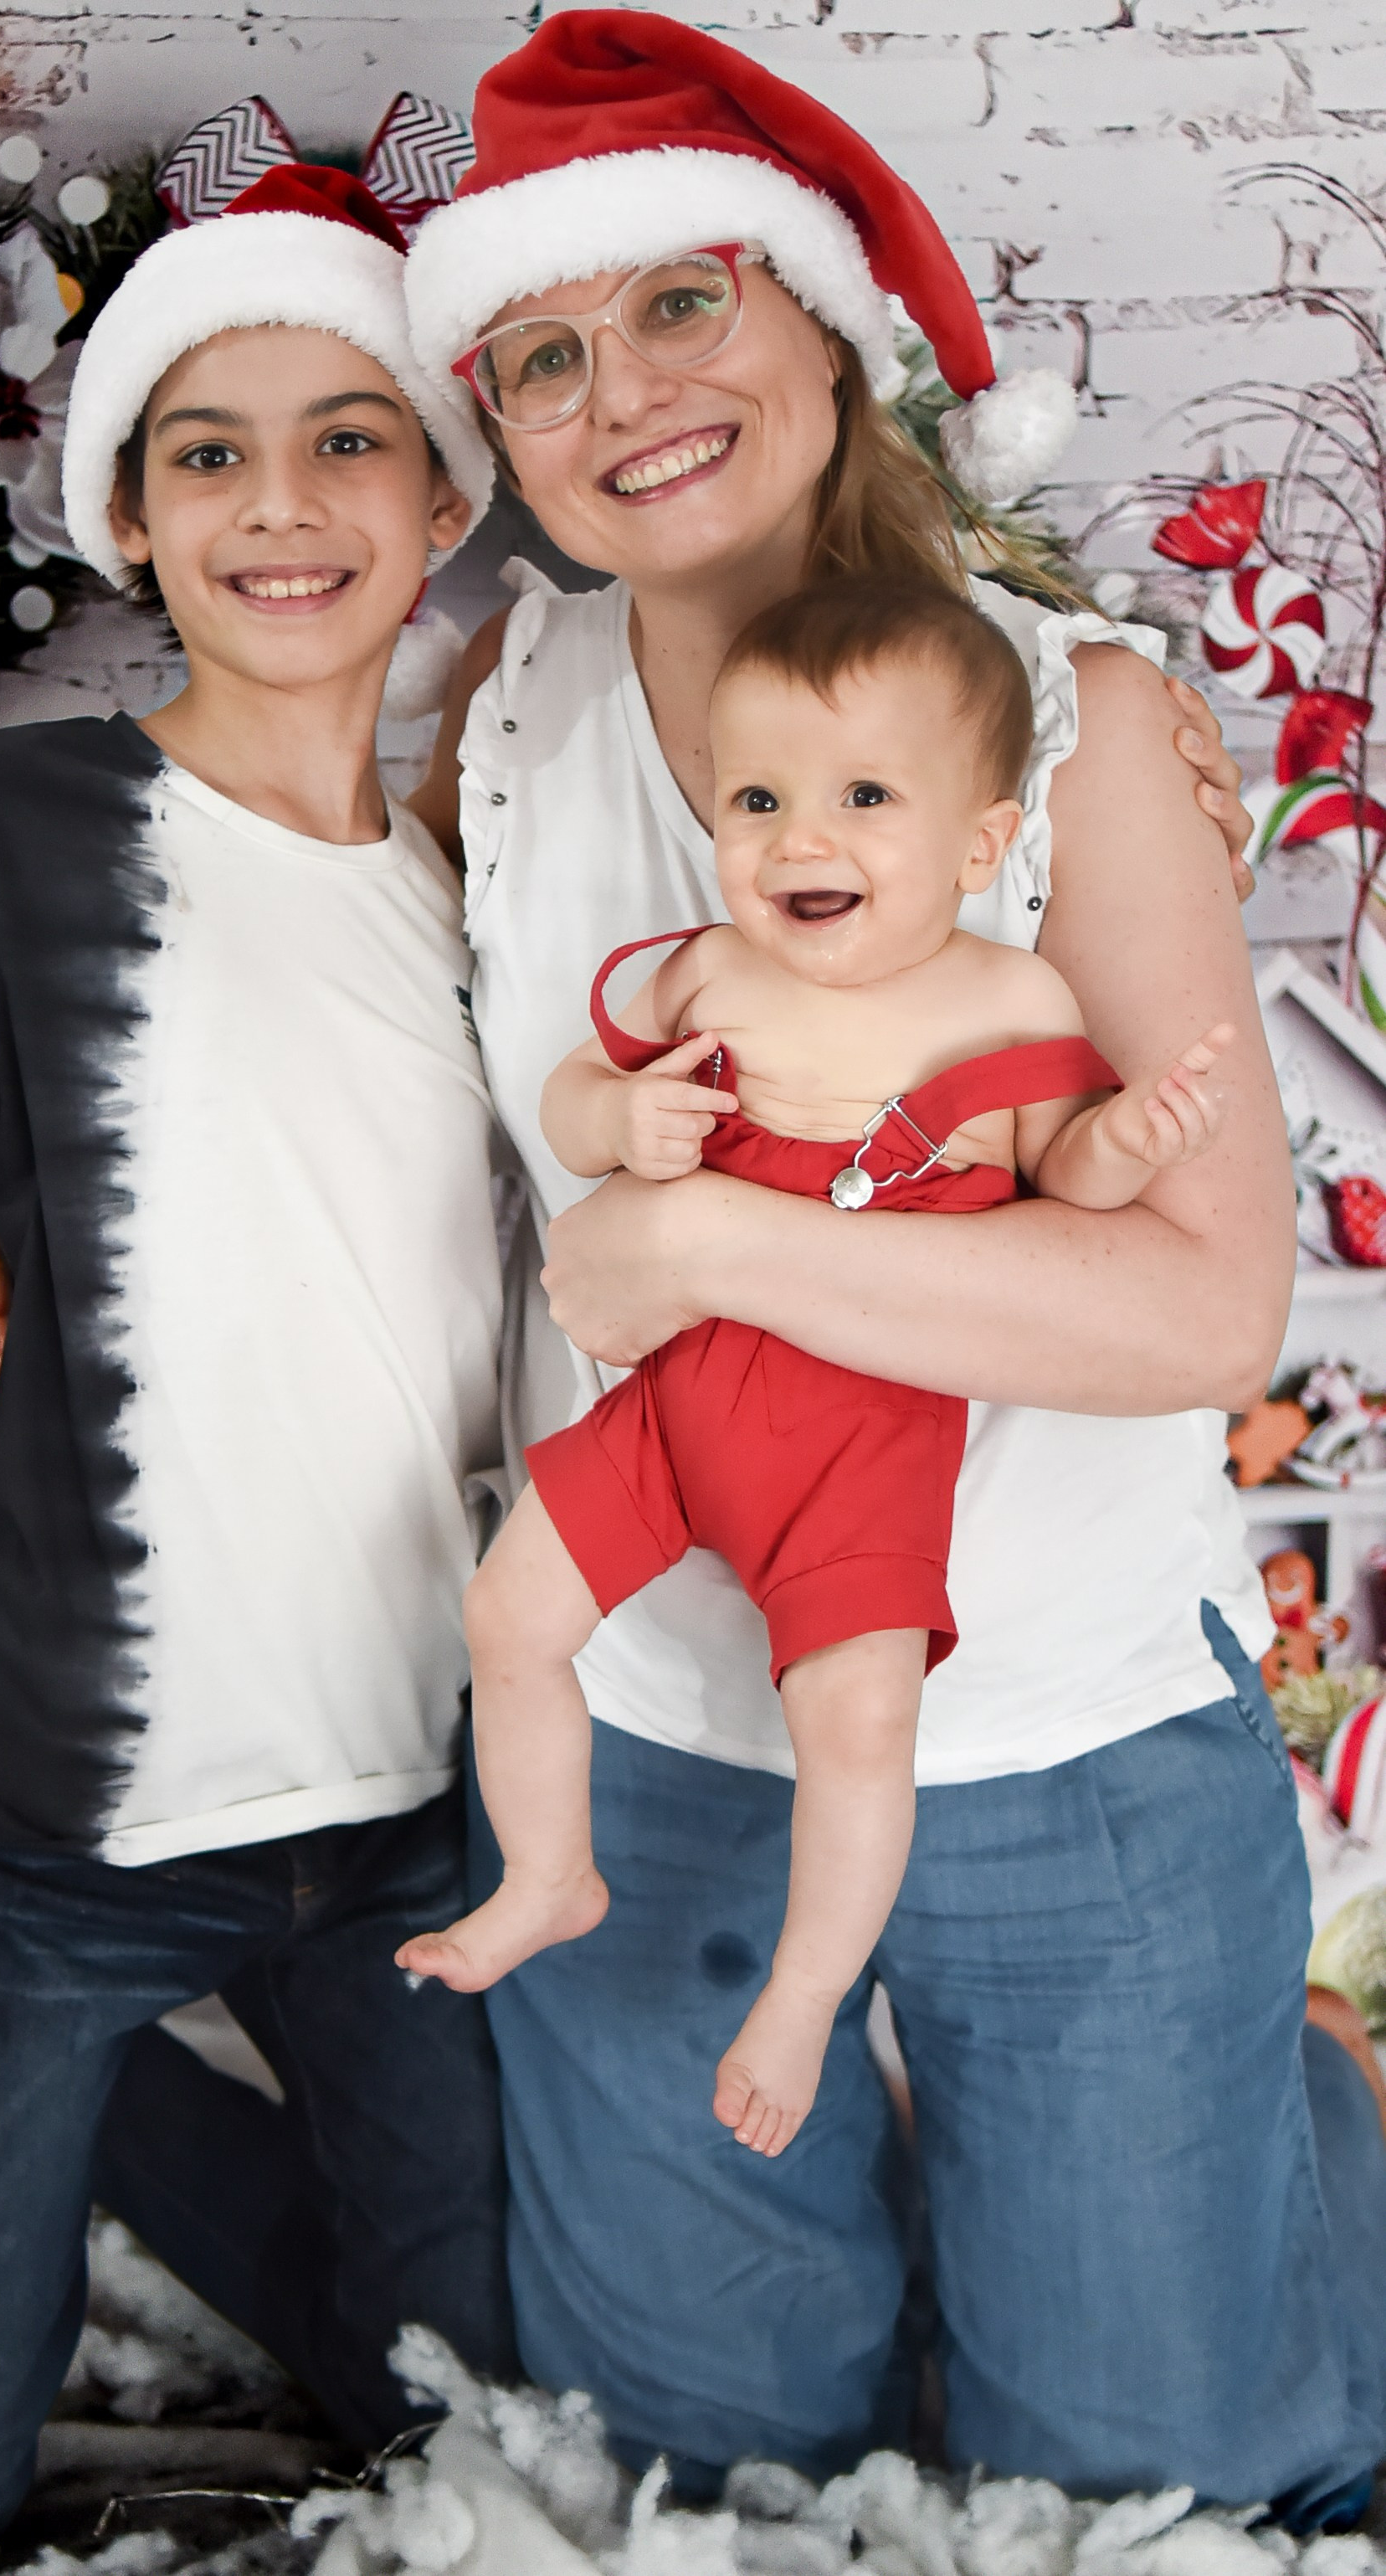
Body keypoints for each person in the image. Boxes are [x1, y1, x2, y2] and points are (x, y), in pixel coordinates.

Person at [398, 8, 1386, 2518]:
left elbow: (1191, 1305)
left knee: (1162, 2470)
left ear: (820, 324)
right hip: (655, 1746)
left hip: (1055, 1737)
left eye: (680, 306)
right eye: (538, 356)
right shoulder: (497, 728)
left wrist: (711, 1230)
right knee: (705, 2471)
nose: (617, 393)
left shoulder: (1073, 724)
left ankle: (1289, 2130)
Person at [0, 164, 516, 2553]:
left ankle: (124, 2117)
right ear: (131, 522)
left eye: (348, 435)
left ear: (451, 492)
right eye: (207, 450)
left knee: (465, 2408)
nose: (282, 502)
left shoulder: (515, 857)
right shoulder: (15, 818)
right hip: (55, 1818)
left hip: (419, 1812)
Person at [402, 575, 1234, 2166]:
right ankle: (546, 1871)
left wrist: (1130, 1135)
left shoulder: (1015, 1000)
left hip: (858, 1457)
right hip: (679, 1405)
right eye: (761, 797)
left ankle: (802, 1989)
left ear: (981, 848)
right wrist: (617, 1126)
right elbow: (579, 1093)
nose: (802, 839)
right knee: (510, 1615)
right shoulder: (708, 971)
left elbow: (1071, 1191)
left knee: (856, 1734)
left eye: (865, 798)